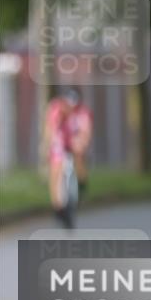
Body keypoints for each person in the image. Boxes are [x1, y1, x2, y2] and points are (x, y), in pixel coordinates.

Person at [42, 86, 93, 228]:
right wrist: (47, 146)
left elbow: (86, 132)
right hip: (60, 140)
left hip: (75, 139)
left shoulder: (83, 112)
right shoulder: (55, 109)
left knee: (79, 155)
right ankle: (57, 207)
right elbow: (50, 130)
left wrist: (82, 143)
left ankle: (82, 183)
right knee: (56, 168)